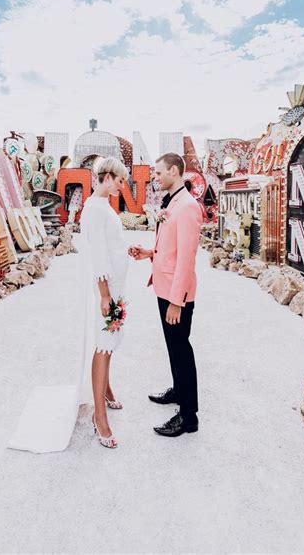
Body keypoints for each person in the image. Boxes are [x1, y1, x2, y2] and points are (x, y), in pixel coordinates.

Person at [129, 153, 202, 437]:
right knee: (173, 346)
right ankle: (178, 390)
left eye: (159, 173)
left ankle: (189, 417)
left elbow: (187, 258)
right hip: (164, 286)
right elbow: (171, 248)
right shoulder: (171, 202)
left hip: (176, 294)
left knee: (181, 350)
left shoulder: (187, 207)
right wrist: (149, 253)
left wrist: (176, 301)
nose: (155, 177)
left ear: (174, 171)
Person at [79, 157, 129, 449]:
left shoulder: (101, 206)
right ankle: (99, 417)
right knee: (102, 344)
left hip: (115, 287)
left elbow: (111, 247)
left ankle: (106, 390)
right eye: (121, 180)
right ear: (108, 177)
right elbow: (98, 255)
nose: (123, 187)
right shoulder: (95, 210)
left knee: (110, 342)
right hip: (107, 290)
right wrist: (105, 295)